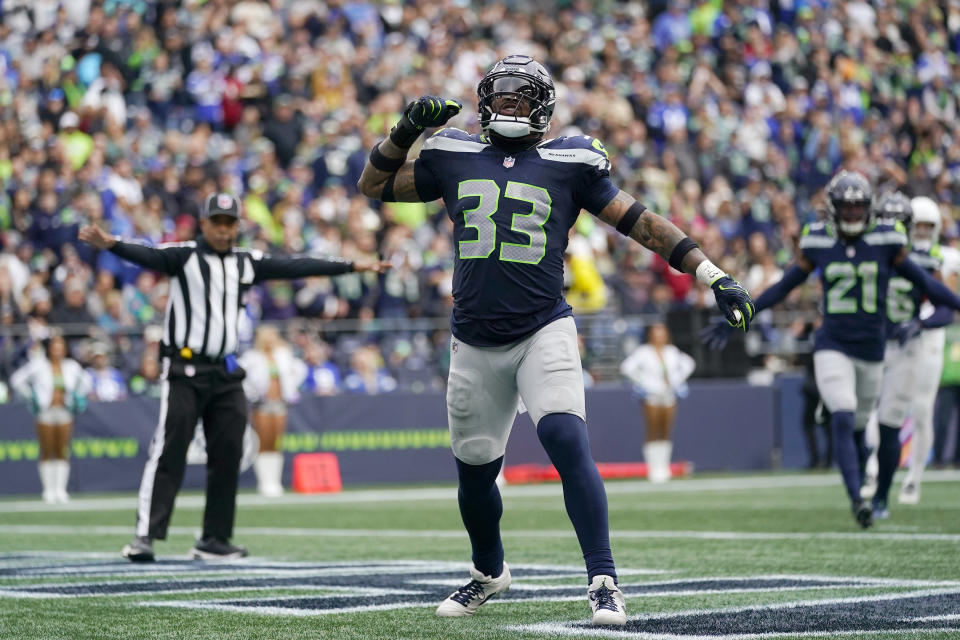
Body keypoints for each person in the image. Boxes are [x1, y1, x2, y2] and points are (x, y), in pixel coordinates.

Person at [357, 54, 756, 626]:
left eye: (521, 97)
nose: (509, 106)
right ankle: (488, 572)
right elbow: (373, 184)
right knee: (474, 474)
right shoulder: (452, 153)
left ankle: (604, 579)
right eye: (501, 96)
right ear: (483, 101)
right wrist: (406, 130)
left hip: (543, 326)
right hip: (473, 338)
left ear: (543, 106)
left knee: (567, 439)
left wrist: (711, 273)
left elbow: (639, 220)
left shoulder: (570, 162)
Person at [78, 192, 390, 563]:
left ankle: (214, 538)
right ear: (204, 223)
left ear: (236, 226)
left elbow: (295, 266)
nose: (224, 231)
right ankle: (146, 535)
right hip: (184, 369)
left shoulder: (245, 262)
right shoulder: (185, 255)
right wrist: (111, 244)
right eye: (218, 223)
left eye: (230, 223)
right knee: (169, 452)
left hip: (225, 372)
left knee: (229, 452)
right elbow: (148, 255)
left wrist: (353, 267)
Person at [703, 171, 960, 528]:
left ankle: (877, 488)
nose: (853, 215)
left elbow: (926, 282)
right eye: (846, 208)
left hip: (873, 349)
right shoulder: (820, 241)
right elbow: (786, 285)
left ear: (868, 209)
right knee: (842, 412)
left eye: (858, 208)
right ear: (833, 209)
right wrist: (745, 310)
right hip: (834, 343)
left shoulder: (886, 239)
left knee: (862, 426)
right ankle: (858, 500)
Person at [892, 197, 960, 505]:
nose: (920, 231)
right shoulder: (895, 253)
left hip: (931, 340)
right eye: (916, 225)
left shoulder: (945, 258)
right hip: (897, 337)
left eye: (926, 226)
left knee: (921, 409)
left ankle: (914, 478)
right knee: (884, 404)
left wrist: (921, 322)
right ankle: (874, 469)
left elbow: (947, 303)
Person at [10, 332, 90, 503]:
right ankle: (48, 490)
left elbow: (86, 382)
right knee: (47, 449)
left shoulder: (71, 366)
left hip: (64, 411)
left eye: (61, 346)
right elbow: (17, 379)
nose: (58, 350)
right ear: (49, 348)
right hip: (45, 411)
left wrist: (77, 397)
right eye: (55, 346)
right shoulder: (39, 365)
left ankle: (61, 489)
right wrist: (31, 396)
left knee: (62, 449)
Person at [619, 322, 695, 483]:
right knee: (652, 430)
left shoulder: (672, 352)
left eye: (662, 332)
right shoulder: (644, 352)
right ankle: (654, 468)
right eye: (656, 332)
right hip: (651, 395)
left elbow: (689, 363)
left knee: (666, 430)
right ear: (651, 335)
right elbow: (626, 367)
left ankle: (664, 466)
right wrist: (644, 382)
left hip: (668, 394)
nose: (659, 336)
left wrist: (676, 380)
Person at [238, 324, 307, 497]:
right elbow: (241, 375)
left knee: (276, 442)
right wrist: (253, 392)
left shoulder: (283, 355)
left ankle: (274, 481)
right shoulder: (252, 356)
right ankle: (265, 482)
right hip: (262, 403)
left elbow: (300, 369)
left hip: (279, 402)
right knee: (264, 441)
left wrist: (291, 389)